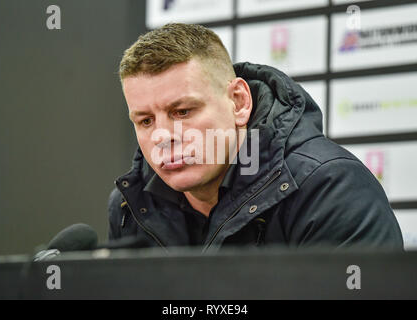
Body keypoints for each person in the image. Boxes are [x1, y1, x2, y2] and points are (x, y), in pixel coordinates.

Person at [108, 23, 403, 252]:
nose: (162, 137)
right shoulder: (130, 205)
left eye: (183, 112)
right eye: (145, 120)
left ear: (238, 102)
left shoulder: (331, 189)